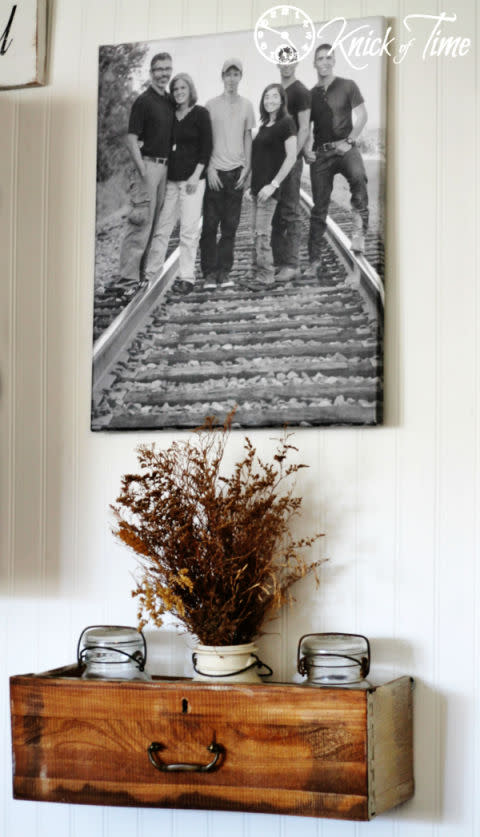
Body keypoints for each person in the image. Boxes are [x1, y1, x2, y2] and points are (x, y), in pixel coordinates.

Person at [144, 73, 213, 295]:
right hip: (172, 182)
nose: (179, 92)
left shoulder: (201, 114)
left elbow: (206, 148)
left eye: (183, 88)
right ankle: (151, 275)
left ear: (190, 89)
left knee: (188, 232)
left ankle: (187, 278)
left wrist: (196, 175)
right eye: (175, 89)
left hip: (193, 182)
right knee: (162, 228)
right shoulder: (171, 116)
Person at [305, 43, 369, 278]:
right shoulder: (311, 95)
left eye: (327, 58)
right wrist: (305, 150)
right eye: (319, 58)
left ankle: (359, 232)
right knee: (319, 207)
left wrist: (350, 141)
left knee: (359, 177)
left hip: (345, 147)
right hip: (321, 153)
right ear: (314, 63)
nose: (324, 62)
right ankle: (314, 260)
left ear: (333, 61)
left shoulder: (348, 85)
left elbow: (362, 115)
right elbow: (305, 127)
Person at [117, 52, 174, 290]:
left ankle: (140, 275)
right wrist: (142, 171)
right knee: (141, 221)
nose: (164, 73)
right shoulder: (143, 101)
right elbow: (131, 140)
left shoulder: (169, 101)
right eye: (159, 69)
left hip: (165, 167)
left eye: (167, 69)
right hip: (148, 166)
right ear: (152, 72)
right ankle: (127, 279)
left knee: (154, 222)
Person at [199, 59, 255, 290]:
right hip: (215, 173)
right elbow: (204, 140)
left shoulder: (247, 105)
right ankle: (210, 273)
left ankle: (224, 272)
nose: (232, 79)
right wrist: (209, 168)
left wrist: (247, 168)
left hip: (236, 174)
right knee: (210, 226)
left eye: (236, 74)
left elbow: (248, 137)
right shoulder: (210, 105)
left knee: (230, 227)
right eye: (228, 74)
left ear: (240, 77)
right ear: (222, 76)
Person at [243, 83, 297, 290]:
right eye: (267, 97)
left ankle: (266, 277)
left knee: (262, 233)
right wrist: (251, 187)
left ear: (282, 100)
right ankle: (258, 272)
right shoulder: (264, 127)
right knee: (255, 232)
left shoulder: (287, 123)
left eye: (275, 97)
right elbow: (259, 160)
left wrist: (273, 185)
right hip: (257, 189)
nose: (270, 100)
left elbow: (291, 157)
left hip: (269, 190)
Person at [271, 58, 311, 282]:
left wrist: (293, 156)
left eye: (290, 61)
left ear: (295, 63)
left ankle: (292, 264)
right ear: (278, 64)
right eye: (282, 61)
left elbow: (305, 127)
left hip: (290, 159)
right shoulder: (276, 91)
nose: (286, 65)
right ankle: (279, 263)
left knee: (290, 211)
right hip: (274, 160)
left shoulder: (301, 91)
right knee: (275, 213)